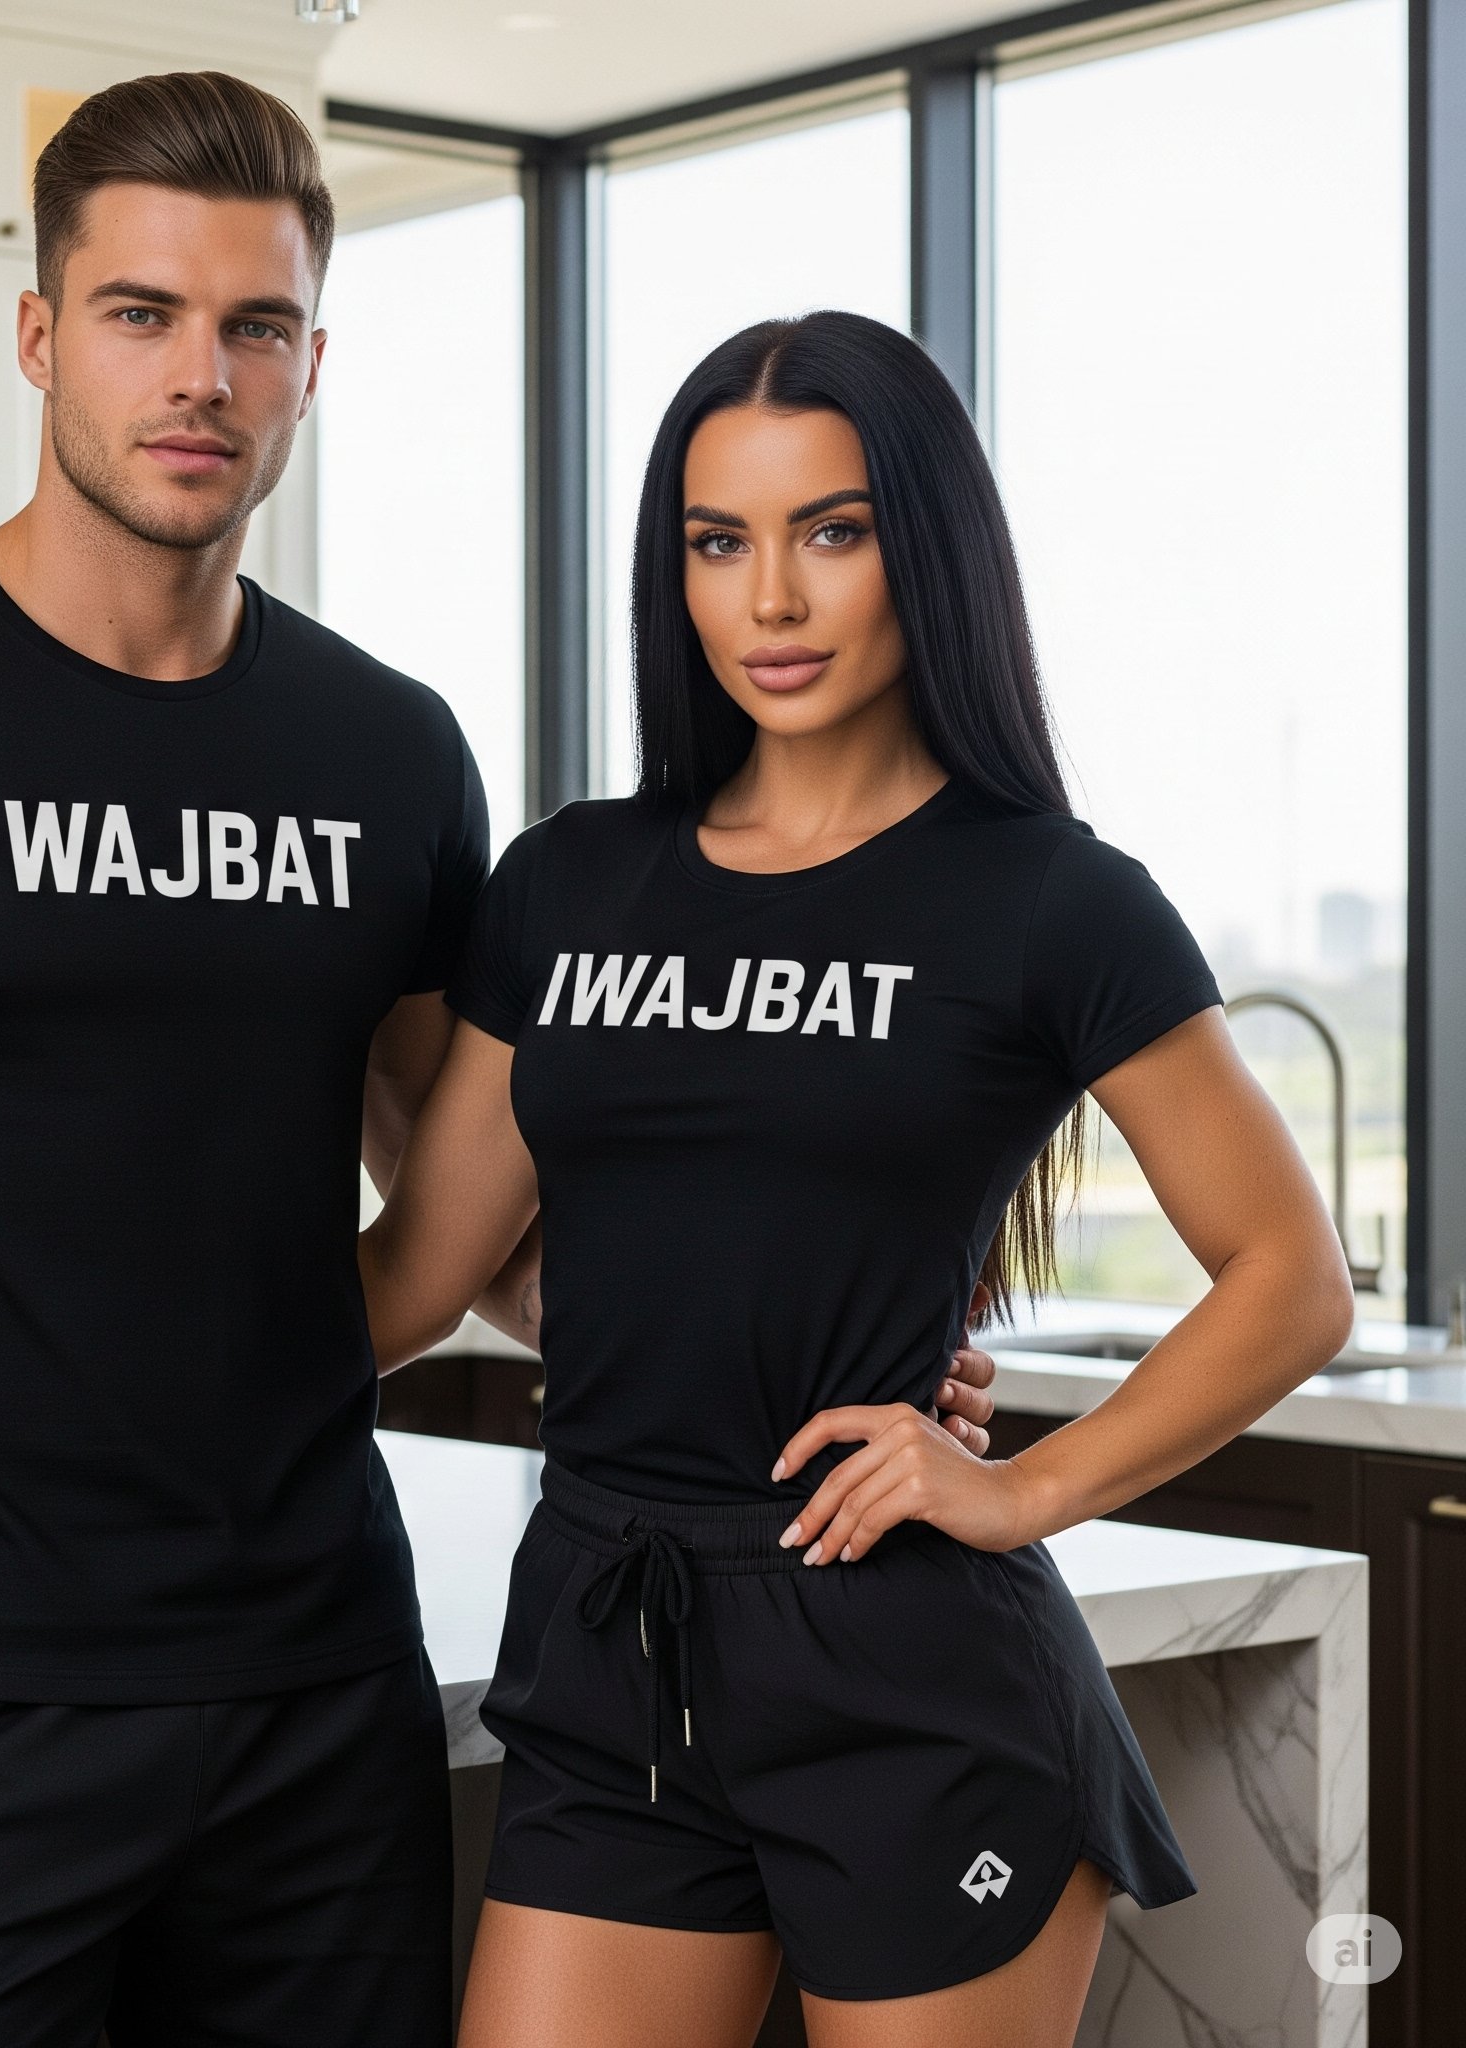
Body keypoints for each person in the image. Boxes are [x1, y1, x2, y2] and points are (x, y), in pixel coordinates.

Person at [0, 68, 1007, 2048]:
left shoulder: (385, 755)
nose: (197, 375)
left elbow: (476, 1216)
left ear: (315, 360)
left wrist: (810, 1357)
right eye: (140, 314)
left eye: (256, 325)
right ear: (42, 333)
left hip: (320, 1706)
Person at [359, 310, 1355, 2048]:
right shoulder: (571, 883)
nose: (771, 600)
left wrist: (1020, 1492)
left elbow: (1291, 1274)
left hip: (908, 1676)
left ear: (929, 547)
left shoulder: (1049, 899)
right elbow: (426, 1268)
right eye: (717, 541)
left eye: (833, 531)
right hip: (610, 1645)